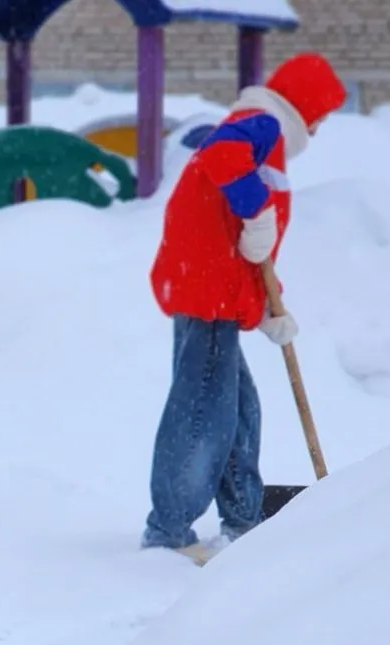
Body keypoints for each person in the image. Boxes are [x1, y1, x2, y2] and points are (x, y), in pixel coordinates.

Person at [144, 52, 348, 563]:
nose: (318, 130)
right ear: (303, 107)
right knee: (203, 415)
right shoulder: (260, 124)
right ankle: (168, 532)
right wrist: (257, 210)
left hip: (212, 290)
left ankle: (243, 517)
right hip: (205, 293)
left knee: (236, 408)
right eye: (319, 116)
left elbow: (235, 245)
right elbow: (222, 159)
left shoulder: (266, 135)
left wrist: (264, 309)